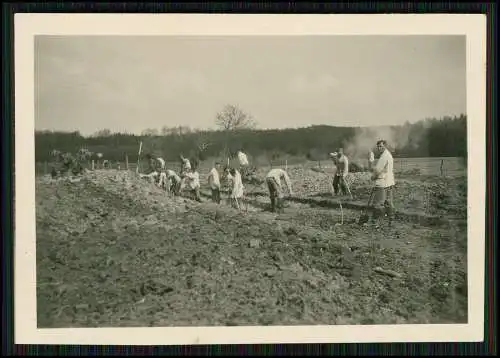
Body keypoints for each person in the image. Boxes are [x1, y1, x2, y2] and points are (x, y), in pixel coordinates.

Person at [369, 139, 395, 225]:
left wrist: (373, 177)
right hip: (389, 182)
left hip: (382, 183)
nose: (379, 148)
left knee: (378, 203)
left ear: (385, 146)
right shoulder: (388, 155)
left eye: (381, 146)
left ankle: (375, 222)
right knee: (388, 202)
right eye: (378, 146)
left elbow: (377, 170)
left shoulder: (384, 156)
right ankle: (391, 219)